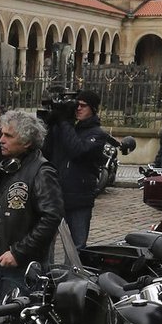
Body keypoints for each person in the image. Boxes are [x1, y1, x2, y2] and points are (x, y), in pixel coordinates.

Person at [0, 109, 63, 296]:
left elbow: (51, 217)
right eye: (1, 134)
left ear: (26, 142)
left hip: (23, 268)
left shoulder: (41, 171)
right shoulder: (10, 165)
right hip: (1, 262)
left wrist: (18, 252)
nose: (1, 140)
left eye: (8, 136)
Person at [41, 89, 110, 248]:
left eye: (83, 106)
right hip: (54, 195)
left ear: (93, 109)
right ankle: (45, 272)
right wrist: (53, 124)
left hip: (79, 198)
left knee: (76, 246)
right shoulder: (64, 127)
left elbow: (77, 151)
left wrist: (64, 122)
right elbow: (46, 152)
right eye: (76, 105)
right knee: (45, 243)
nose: (78, 109)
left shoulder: (97, 134)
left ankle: (75, 273)